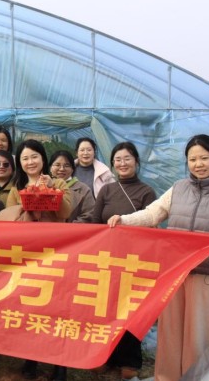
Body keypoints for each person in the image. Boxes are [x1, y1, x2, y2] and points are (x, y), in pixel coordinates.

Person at [107, 134, 209, 381]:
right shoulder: (178, 189)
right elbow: (152, 214)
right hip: (175, 272)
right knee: (170, 330)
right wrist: (124, 220)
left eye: (204, 158)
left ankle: (195, 376)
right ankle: (166, 377)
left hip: (207, 275)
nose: (198, 164)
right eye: (192, 159)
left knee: (199, 333)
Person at [0, 139, 71, 381]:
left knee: (57, 307)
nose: (30, 162)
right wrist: (26, 205)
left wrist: (50, 190)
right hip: (27, 254)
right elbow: (9, 222)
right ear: (20, 162)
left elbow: (66, 212)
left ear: (43, 159)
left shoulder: (58, 183)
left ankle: (60, 363)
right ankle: (31, 357)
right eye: (25, 158)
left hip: (56, 252)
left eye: (34, 157)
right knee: (29, 307)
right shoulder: (15, 190)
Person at [91, 141, 156, 380]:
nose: (122, 163)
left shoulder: (147, 192)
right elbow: (95, 222)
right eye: (117, 160)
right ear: (112, 164)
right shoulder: (107, 190)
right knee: (105, 308)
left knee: (129, 310)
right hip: (107, 259)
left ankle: (129, 359)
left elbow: (151, 224)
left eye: (127, 158)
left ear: (136, 162)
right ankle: (105, 355)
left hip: (133, 260)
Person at [48, 150, 95, 223]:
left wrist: (70, 227)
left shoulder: (84, 190)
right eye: (57, 165)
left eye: (66, 166)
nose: (62, 169)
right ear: (50, 168)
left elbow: (89, 215)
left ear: (72, 169)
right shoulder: (43, 186)